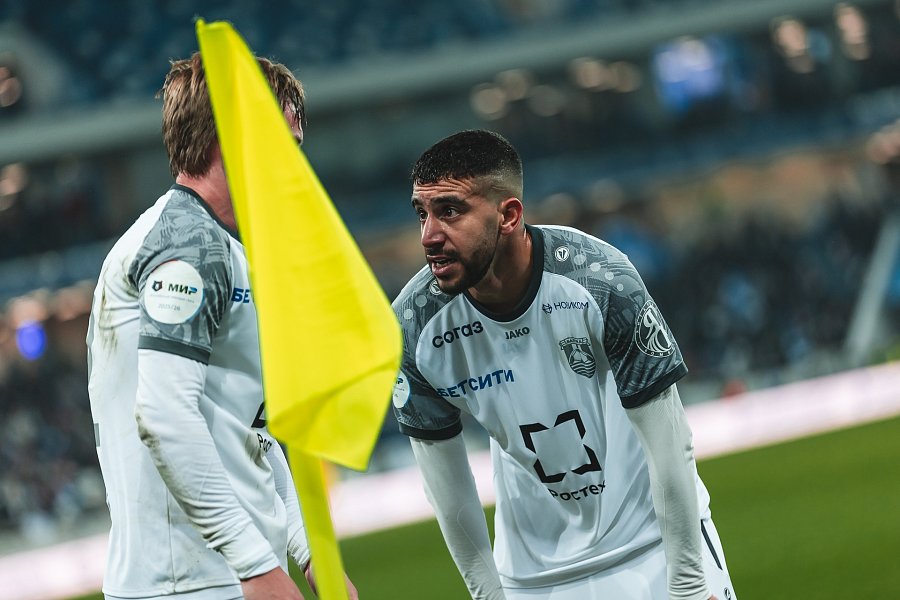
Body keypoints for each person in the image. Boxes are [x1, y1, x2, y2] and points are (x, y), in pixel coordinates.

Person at [391, 129, 737, 600]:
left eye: (450, 211)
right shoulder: (413, 327)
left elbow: (670, 443)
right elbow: (447, 491)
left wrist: (689, 584)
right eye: (422, 213)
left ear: (508, 215)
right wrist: (488, 595)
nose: (429, 235)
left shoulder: (600, 281)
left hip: (654, 548)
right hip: (532, 580)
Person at [86, 53, 357, 600]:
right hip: (189, 583)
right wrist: (256, 565)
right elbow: (164, 415)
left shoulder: (224, 247)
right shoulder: (187, 244)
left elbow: (251, 429)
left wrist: (307, 550)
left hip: (218, 574)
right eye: (283, 143)